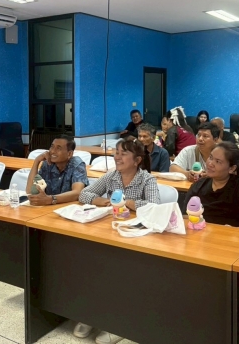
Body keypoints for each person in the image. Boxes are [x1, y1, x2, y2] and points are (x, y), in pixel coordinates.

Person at [75, 138, 159, 343]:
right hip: (111, 232)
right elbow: (84, 193)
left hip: (136, 237)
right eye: (116, 152)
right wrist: (101, 200)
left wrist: (127, 202)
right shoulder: (111, 176)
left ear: (137, 160)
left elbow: (154, 206)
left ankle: (119, 323)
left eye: (123, 153)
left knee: (119, 273)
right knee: (92, 266)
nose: (117, 157)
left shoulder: (147, 179)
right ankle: (91, 313)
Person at [184, 142, 239, 229]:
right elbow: (186, 218)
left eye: (218, 161)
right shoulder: (198, 185)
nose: (210, 163)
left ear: (232, 168)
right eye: (210, 157)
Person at [25, 135, 89, 205]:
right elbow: (30, 191)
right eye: (52, 146)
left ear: (69, 154)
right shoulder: (47, 163)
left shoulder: (77, 164)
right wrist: (37, 161)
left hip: (70, 206)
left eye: (58, 148)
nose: (52, 151)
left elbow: (77, 192)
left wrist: (51, 199)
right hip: (49, 207)